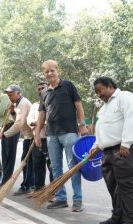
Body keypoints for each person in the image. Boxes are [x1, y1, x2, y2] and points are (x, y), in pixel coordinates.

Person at [89, 76, 133, 224]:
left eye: (101, 90)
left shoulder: (125, 97)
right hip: (107, 150)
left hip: (124, 147)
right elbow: (103, 129)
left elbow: (132, 118)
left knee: (126, 184)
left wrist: (126, 143)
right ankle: (119, 216)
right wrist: (96, 146)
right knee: (113, 184)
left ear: (110, 86)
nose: (99, 94)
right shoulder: (105, 107)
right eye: (97, 92)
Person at [34, 60, 89, 212]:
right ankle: (61, 198)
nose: (50, 73)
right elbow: (41, 114)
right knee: (56, 167)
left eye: (52, 70)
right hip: (51, 135)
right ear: (44, 74)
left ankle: (77, 200)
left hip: (70, 133)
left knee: (73, 167)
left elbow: (78, 105)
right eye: (47, 71)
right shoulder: (44, 92)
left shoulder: (68, 85)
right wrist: (37, 133)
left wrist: (82, 125)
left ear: (57, 71)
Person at [0, 84, 34, 195]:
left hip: (32, 135)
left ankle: (27, 186)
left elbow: (19, 123)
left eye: (12, 94)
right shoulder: (17, 104)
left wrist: (4, 134)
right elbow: (16, 119)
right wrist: (12, 111)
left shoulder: (23, 103)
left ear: (19, 93)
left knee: (26, 161)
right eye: (8, 95)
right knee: (28, 161)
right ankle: (30, 185)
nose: (10, 97)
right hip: (28, 136)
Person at [27, 82, 54, 192]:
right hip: (37, 140)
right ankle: (39, 190)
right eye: (39, 89)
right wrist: (38, 123)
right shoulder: (34, 106)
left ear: (48, 89)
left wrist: (39, 122)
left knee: (52, 167)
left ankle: (53, 192)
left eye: (43, 88)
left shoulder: (52, 103)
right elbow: (29, 120)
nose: (41, 90)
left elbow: (51, 121)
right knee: (38, 166)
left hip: (50, 139)